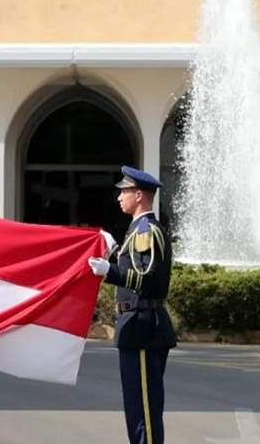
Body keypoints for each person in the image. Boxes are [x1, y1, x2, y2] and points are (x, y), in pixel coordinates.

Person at [88, 166, 176, 444]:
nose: (119, 198)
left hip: (142, 327)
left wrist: (110, 272)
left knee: (144, 412)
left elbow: (150, 280)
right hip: (137, 325)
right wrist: (115, 252)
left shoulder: (145, 230)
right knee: (137, 409)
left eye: (123, 192)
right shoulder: (136, 231)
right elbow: (138, 269)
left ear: (139, 195)